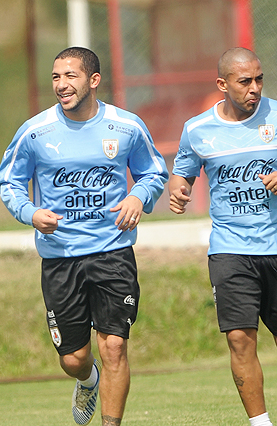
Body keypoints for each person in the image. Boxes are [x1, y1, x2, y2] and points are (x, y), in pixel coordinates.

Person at [0, 47, 168, 426]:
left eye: (70, 76)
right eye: (56, 77)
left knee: (114, 346)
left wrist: (139, 197)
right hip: (60, 257)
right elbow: (8, 180)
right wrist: (30, 212)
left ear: (93, 80)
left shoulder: (126, 126)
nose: (61, 85)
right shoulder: (35, 131)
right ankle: (87, 380)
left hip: (112, 253)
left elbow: (154, 172)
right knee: (73, 358)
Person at [170, 47, 277, 426]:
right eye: (245, 81)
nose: (255, 88)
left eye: (259, 79)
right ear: (222, 84)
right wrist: (179, 189)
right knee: (239, 339)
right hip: (230, 250)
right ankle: (259, 423)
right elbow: (183, 171)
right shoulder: (198, 129)